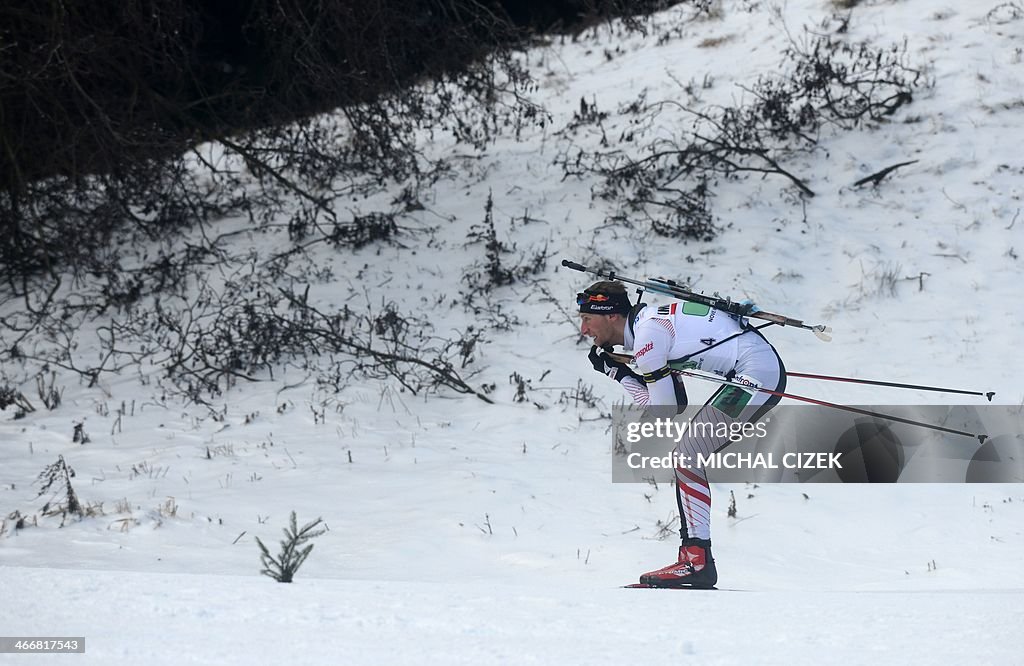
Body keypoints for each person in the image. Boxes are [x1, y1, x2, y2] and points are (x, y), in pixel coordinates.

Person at [577, 279, 786, 588]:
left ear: (611, 316)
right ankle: (696, 559)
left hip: (755, 373)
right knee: (689, 453)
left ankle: (696, 561)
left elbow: (662, 412)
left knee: (688, 454)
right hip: (756, 367)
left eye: (587, 319)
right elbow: (676, 404)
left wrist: (618, 373)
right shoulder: (650, 324)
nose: (583, 330)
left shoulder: (648, 339)